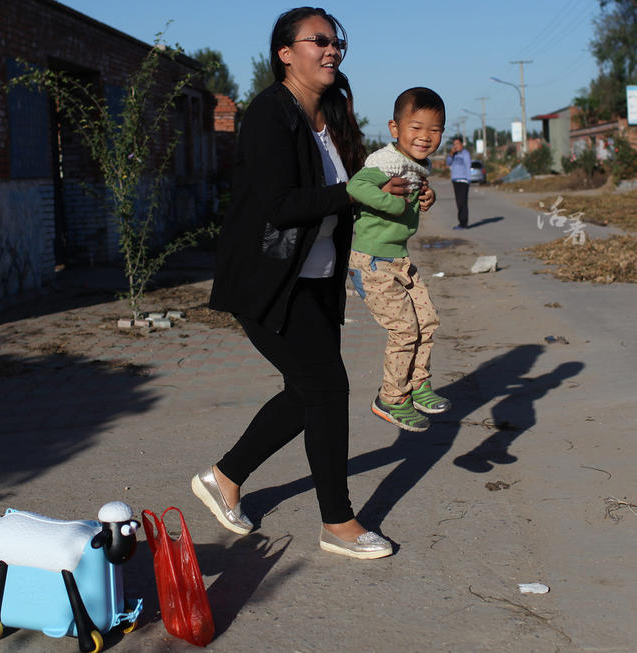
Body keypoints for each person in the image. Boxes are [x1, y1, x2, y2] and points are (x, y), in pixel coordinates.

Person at [195, 7, 432, 560]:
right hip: (268, 282)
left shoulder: (330, 117)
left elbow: (363, 188)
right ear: (285, 52)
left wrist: (404, 194)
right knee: (327, 389)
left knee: (306, 392)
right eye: (319, 40)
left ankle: (223, 478)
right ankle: (338, 522)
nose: (332, 50)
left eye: (337, 41)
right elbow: (282, 206)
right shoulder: (268, 115)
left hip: (319, 280)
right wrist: (353, 194)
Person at [346, 87, 453, 433]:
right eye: (416, 127)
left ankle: (418, 385)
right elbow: (356, 187)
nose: (425, 137)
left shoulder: (416, 165)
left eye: (434, 130)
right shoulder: (385, 162)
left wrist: (426, 196)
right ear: (395, 128)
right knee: (404, 329)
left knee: (428, 319)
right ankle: (391, 397)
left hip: (397, 259)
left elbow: (413, 194)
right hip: (372, 261)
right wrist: (395, 205)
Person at [446, 137, 471, 229]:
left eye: (457, 143)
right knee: (458, 202)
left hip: (463, 181)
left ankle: (464, 223)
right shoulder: (454, 154)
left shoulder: (465, 154)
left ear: (461, 144)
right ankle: (461, 222)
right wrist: (451, 154)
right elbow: (448, 163)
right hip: (455, 181)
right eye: (454, 144)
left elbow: (468, 166)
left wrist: (468, 180)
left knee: (462, 202)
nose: (455, 146)